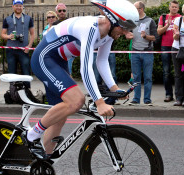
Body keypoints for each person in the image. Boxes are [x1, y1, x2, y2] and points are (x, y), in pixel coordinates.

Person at [25, 0, 139, 160]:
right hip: (44, 58)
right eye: (124, 28)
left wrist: (114, 89)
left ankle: (42, 166)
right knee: (76, 100)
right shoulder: (91, 28)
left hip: (59, 61)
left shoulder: (110, 33)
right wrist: (99, 102)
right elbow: (85, 69)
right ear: (112, 21)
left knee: (60, 116)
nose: (126, 33)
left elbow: (102, 61)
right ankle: (31, 135)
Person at [129, 1, 157, 106]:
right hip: (135, 52)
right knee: (136, 77)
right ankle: (136, 99)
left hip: (147, 52)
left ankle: (147, 100)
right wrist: (127, 35)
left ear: (141, 9)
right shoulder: (132, 21)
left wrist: (146, 36)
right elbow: (127, 32)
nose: (134, 10)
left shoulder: (150, 21)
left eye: (135, 8)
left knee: (148, 77)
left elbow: (155, 38)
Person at [1, 0, 34, 84]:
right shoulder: (7, 19)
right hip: (11, 50)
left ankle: (26, 93)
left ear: (22, 6)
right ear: (13, 6)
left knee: (26, 72)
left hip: (24, 50)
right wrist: (9, 36)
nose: (19, 7)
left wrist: (29, 46)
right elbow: (2, 34)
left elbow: (32, 34)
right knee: (12, 73)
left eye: (20, 6)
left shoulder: (28, 18)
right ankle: (13, 94)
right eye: (17, 6)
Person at [157, 0, 181, 102]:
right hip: (165, 47)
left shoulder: (181, 18)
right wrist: (167, 25)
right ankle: (168, 95)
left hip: (177, 47)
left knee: (178, 72)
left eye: (176, 7)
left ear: (178, 9)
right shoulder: (163, 17)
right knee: (166, 72)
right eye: (173, 7)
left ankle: (179, 95)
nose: (174, 8)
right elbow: (158, 32)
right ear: (169, 7)